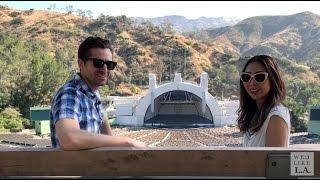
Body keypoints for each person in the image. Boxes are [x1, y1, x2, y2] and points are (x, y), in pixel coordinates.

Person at [50, 36, 146, 150]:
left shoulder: (95, 95)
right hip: (74, 167)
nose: (105, 69)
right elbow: (69, 138)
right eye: (98, 63)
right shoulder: (70, 94)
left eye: (109, 64)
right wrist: (128, 142)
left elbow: (108, 138)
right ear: (81, 64)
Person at [237, 55, 290, 147]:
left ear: (273, 79)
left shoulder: (276, 117)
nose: (252, 83)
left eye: (259, 77)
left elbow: (274, 160)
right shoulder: (255, 114)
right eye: (246, 77)